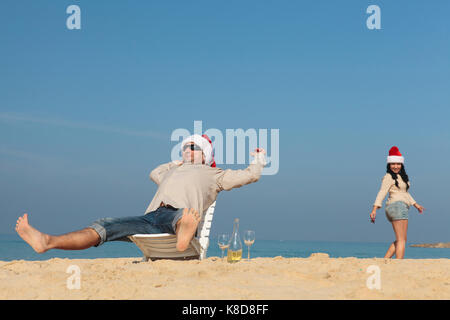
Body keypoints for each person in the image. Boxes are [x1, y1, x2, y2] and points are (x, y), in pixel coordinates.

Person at [15, 134, 267, 254]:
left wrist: (258, 159)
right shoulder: (170, 173)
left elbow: (250, 175)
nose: (186, 150)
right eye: (184, 148)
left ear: (205, 154)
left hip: (179, 215)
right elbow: (153, 172)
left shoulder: (215, 175)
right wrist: (175, 164)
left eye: (192, 147)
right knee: (105, 225)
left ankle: (185, 232)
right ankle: (47, 242)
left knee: (185, 214)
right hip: (151, 218)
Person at [369, 146, 425, 259]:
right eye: (393, 164)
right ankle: (399, 264)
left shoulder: (402, 177)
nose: (395, 166)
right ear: (389, 165)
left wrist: (416, 205)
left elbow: (405, 193)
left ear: (401, 164)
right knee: (401, 240)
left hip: (399, 207)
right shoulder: (388, 176)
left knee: (401, 239)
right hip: (397, 207)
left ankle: (385, 260)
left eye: (398, 164)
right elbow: (382, 192)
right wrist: (374, 209)